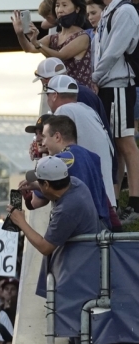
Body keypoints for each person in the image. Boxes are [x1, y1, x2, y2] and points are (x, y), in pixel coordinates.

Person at [8, 156, 112, 344]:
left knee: (88, 342)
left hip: (80, 283)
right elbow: (51, 191)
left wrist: (22, 222)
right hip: (81, 278)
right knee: (85, 340)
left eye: (39, 183)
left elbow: (46, 246)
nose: (37, 186)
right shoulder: (74, 184)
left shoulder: (68, 208)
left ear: (47, 185)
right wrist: (34, 186)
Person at [90, 0, 139, 220]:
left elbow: (115, 50)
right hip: (108, 83)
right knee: (115, 146)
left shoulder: (125, 11)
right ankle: (117, 202)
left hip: (118, 83)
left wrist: (95, 77)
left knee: (126, 143)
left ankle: (135, 205)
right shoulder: (110, 11)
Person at [45, 75, 116, 207]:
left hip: (90, 202)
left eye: (47, 95)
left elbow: (57, 153)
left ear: (54, 95)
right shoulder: (88, 110)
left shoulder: (63, 110)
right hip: (106, 199)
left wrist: (42, 151)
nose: (47, 99)